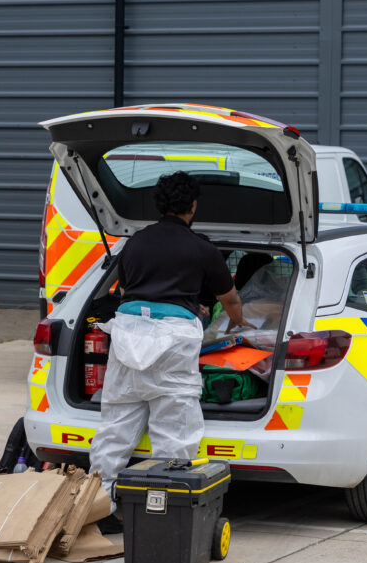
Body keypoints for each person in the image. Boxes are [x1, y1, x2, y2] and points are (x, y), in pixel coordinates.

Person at [89, 172, 253, 506]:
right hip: (174, 342)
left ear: (159, 204)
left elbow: (125, 290)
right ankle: (160, 510)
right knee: (174, 433)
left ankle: (98, 506)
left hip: (128, 335)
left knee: (115, 428)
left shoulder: (134, 243)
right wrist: (239, 324)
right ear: (192, 206)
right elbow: (231, 300)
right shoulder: (202, 249)